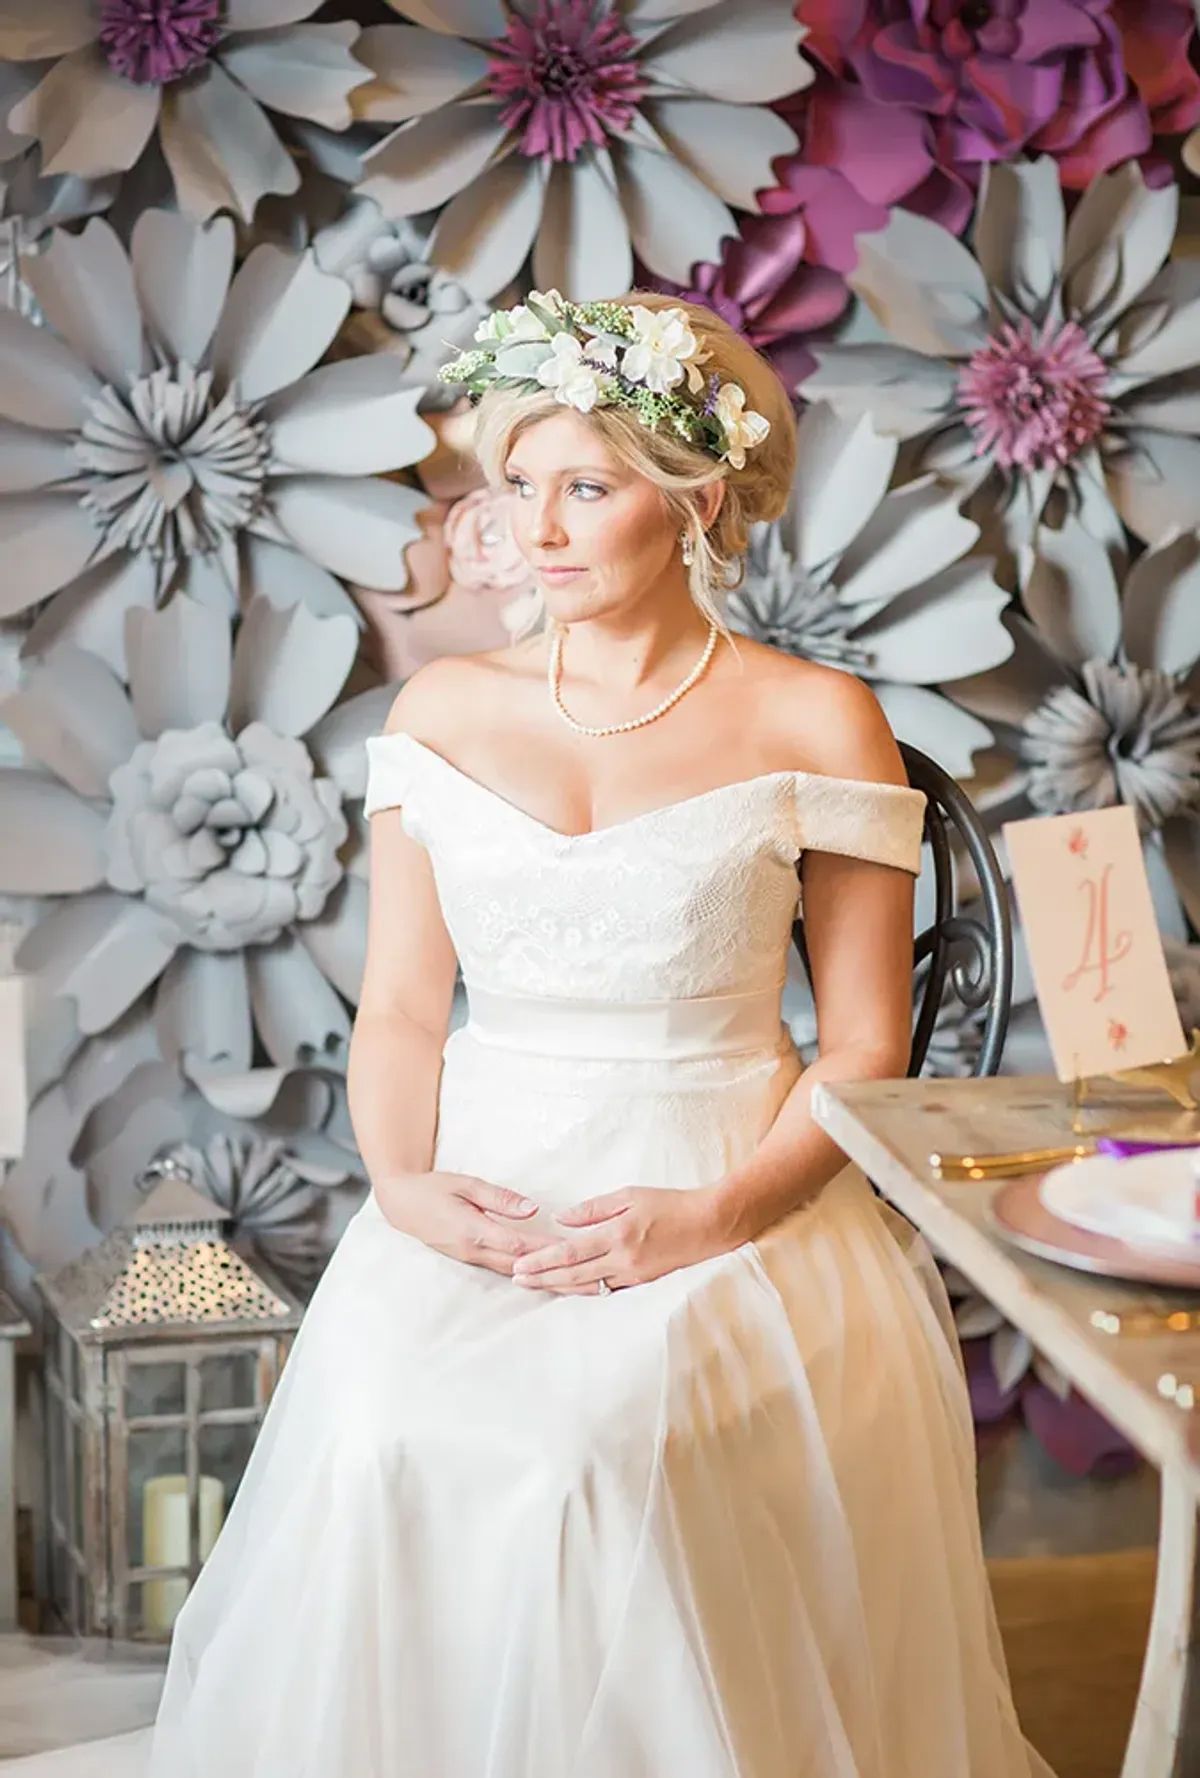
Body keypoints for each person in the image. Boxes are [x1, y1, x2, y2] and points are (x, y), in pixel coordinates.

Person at [6, 292, 1055, 1777]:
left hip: (726, 1186)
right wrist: (405, 1187)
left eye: (588, 488)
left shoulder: (818, 718)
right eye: (518, 484)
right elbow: (404, 1007)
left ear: (694, 501)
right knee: (376, 1427)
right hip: (487, 1185)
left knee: (576, 1461)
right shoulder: (444, 708)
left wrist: (711, 1215)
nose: (537, 531)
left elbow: (864, 1047)